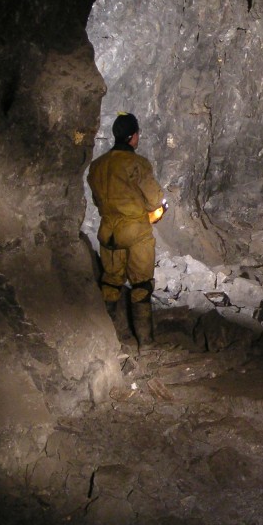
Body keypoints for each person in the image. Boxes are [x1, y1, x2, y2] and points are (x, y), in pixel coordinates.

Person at [87, 112, 165, 352]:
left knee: (111, 284)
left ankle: (111, 342)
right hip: (135, 234)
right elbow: (155, 200)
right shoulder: (137, 164)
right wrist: (160, 208)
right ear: (132, 137)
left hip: (108, 233)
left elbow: (98, 202)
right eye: (137, 134)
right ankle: (146, 344)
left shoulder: (97, 166)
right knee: (141, 285)